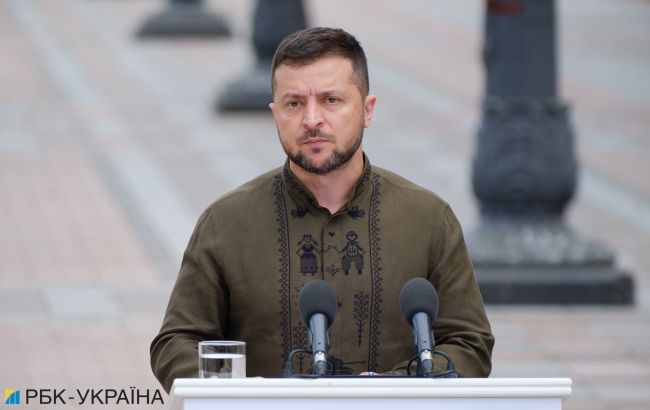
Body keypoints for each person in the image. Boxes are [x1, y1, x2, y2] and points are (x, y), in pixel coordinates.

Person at [150, 27, 494, 392]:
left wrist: (394, 387)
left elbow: (469, 343)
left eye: (331, 100)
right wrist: (241, 391)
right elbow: (176, 342)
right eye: (294, 103)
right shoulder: (226, 223)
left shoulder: (428, 219)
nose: (312, 119)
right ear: (275, 114)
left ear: (367, 110)